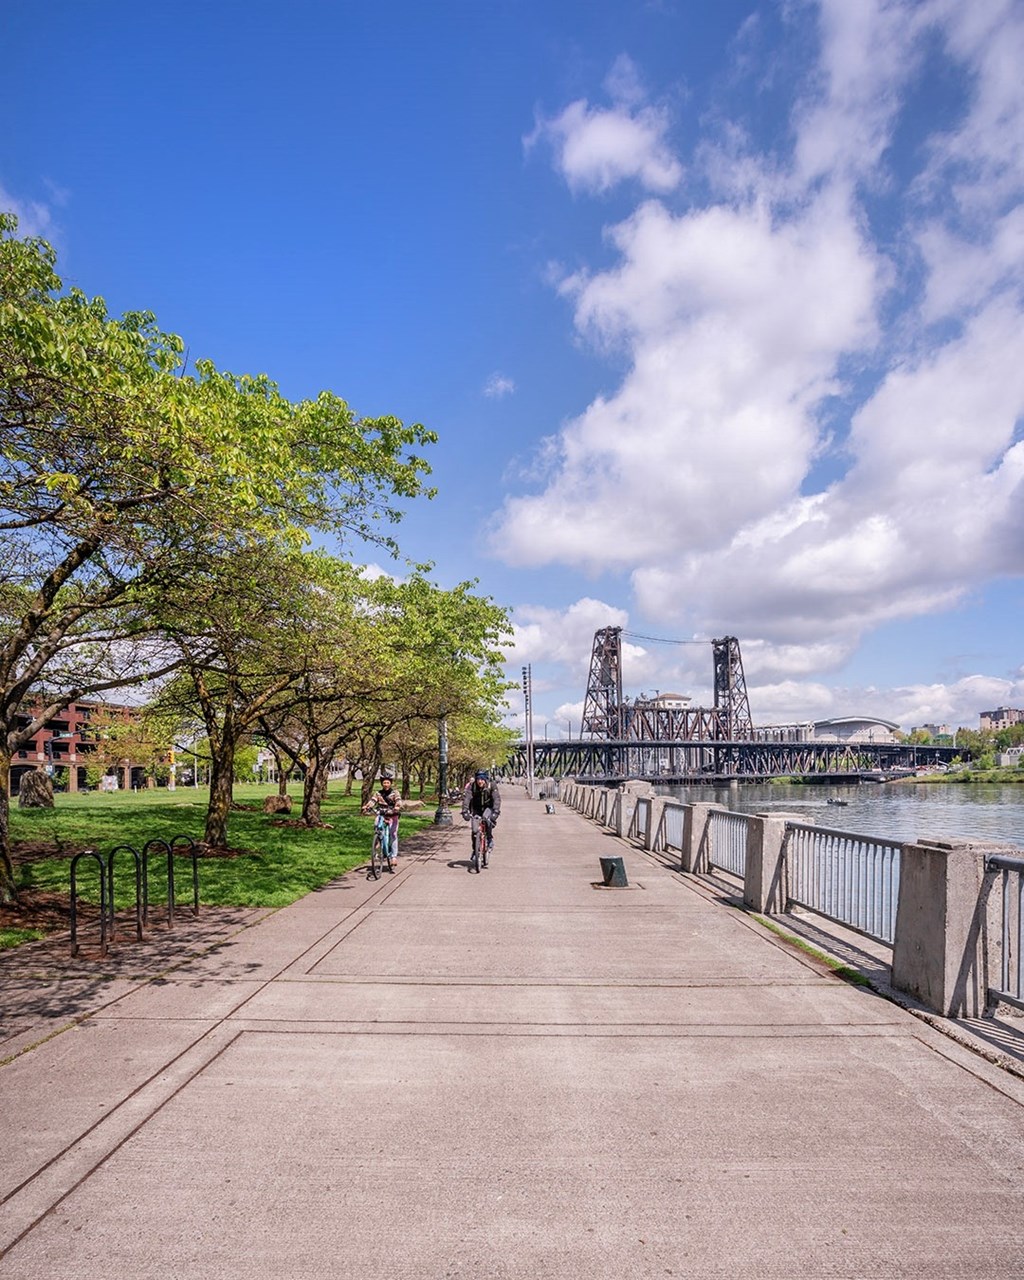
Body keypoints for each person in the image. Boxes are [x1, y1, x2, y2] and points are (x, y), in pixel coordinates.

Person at [361, 769, 402, 872]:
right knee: (377, 826)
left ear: (390, 783)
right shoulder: (378, 793)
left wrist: (396, 807)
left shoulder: (395, 792)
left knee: (393, 834)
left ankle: (393, 857)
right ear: (381, 783)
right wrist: (367, 806)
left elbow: (398, 801)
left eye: (388, 782)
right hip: (381, 814)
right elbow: (373, 801)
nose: (386, 784)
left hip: (393, 815)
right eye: (384, 782)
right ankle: (378, 840)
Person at [461, 769, 501, 870]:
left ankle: (489, 839)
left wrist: (496, 811)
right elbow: (467, 798)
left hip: (488, 807)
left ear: (485, 779)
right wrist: (465, 811)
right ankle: (475, 850)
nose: (480, 781)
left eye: (482, 779)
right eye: (478, 779)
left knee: (487, 819)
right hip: (476, 809)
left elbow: (496, 799)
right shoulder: (472, 786)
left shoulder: (491, 785)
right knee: (475, 830)